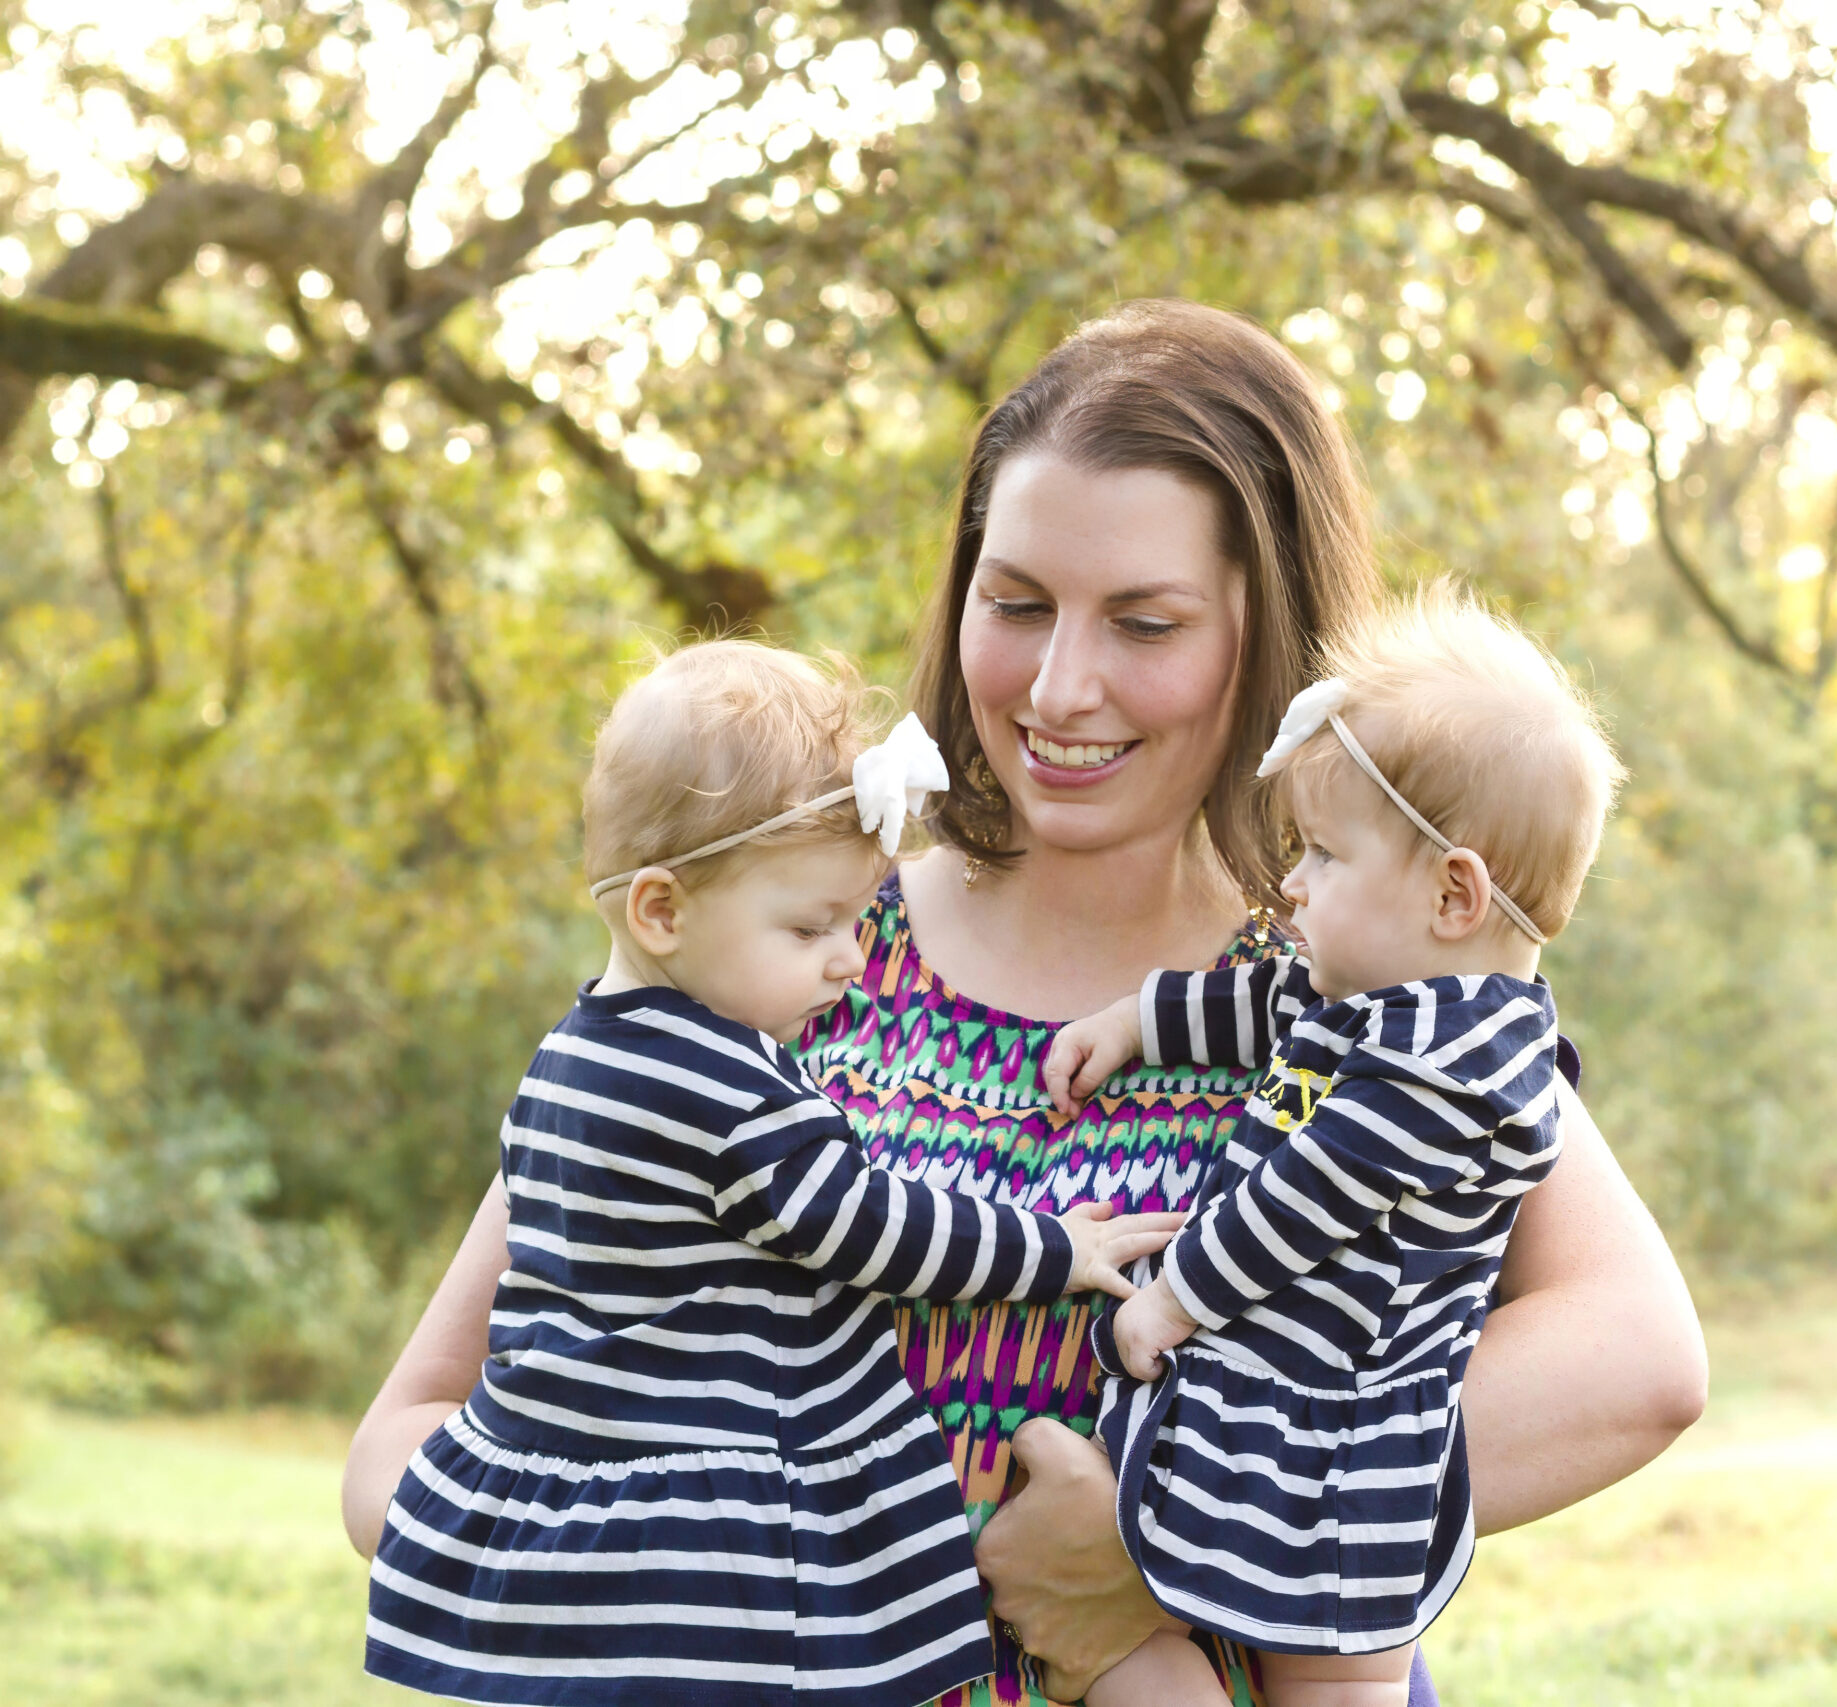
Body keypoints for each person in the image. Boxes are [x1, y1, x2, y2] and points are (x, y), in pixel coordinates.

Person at [344, 300, 1710, 1707]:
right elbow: (408, 1437)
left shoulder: (1345, 993)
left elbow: (1638, 1358)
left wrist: (1165, 1555)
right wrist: (707, 1566)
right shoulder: (787, 942)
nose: (1061, 685)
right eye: (1016, 603)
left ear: (1269, 636)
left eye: (1146, 620)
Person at [361, 639, 1183, 1707]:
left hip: (592, 1535)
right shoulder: (726, 1087)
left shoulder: (566, 1059)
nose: (851, 957)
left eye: (852, 919)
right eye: (810, 926)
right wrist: (1056, 1246)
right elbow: (876, 1228)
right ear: (662, 911)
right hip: (718, 1559)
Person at [1042, 589, 1624, 1707]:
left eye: (1322, 854)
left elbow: (1302, 1199)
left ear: (1455, 892)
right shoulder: (1379, 999)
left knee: (1328, 1678)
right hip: (1290, 1406)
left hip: (1350, 1442)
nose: (1291, 883)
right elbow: (1259, 1007)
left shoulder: (1462, 1063)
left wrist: (1175, 1304)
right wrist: (1134, 1022)